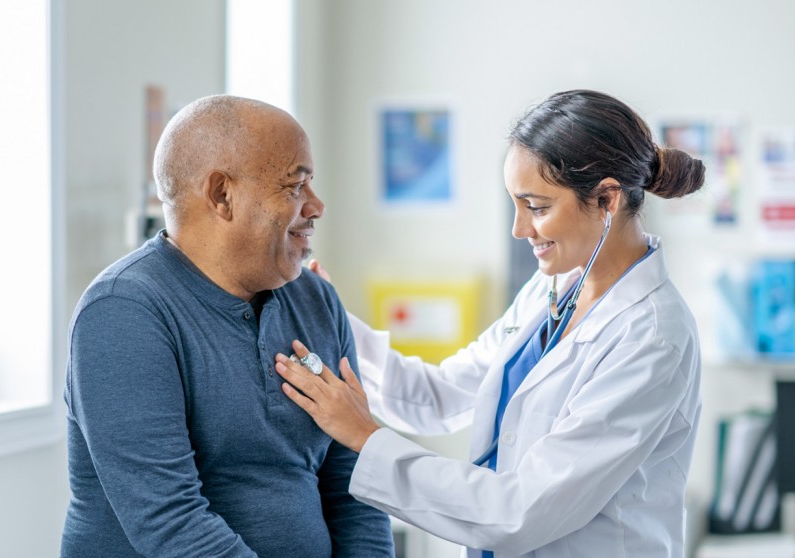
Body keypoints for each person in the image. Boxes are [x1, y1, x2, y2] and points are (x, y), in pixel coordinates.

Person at [274, 89, 705, 558]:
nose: (519, 229)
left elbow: (521, 511)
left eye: (537, 207)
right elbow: (437, 397)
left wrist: (365, 437)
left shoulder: (654, 336)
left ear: (606, 199)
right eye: (515, 205)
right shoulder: (553, 293)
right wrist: (330, 314)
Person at [61, 95, 393, 557]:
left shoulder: (317, 301)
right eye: (295, 186)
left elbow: (354, 486)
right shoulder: (124, 310)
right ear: (222, 194)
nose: (315, 206)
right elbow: (171, 522)